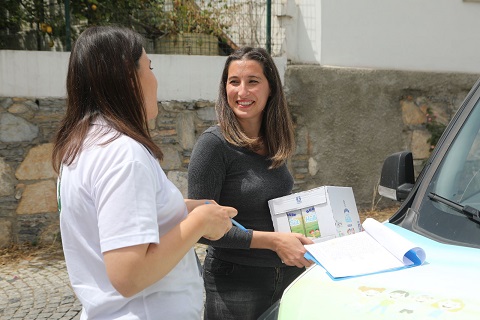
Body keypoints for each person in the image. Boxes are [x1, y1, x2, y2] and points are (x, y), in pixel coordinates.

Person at [51, 25, 237, 320]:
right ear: (129, 78)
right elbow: (129, 274)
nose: (154, 78)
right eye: (149, 66)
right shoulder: (122, 154)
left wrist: (182, 209)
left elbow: (113, 218)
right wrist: (200, 222)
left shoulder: (82, 145)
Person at [188, 46, 314, 320]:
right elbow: (199, 229)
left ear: (271, 90)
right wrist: (274, 242)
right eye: (234, 82)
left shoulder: (275, 140)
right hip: (237, 281)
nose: (242, 92)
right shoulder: (213, 145)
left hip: (289, 273)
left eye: (253, 82)